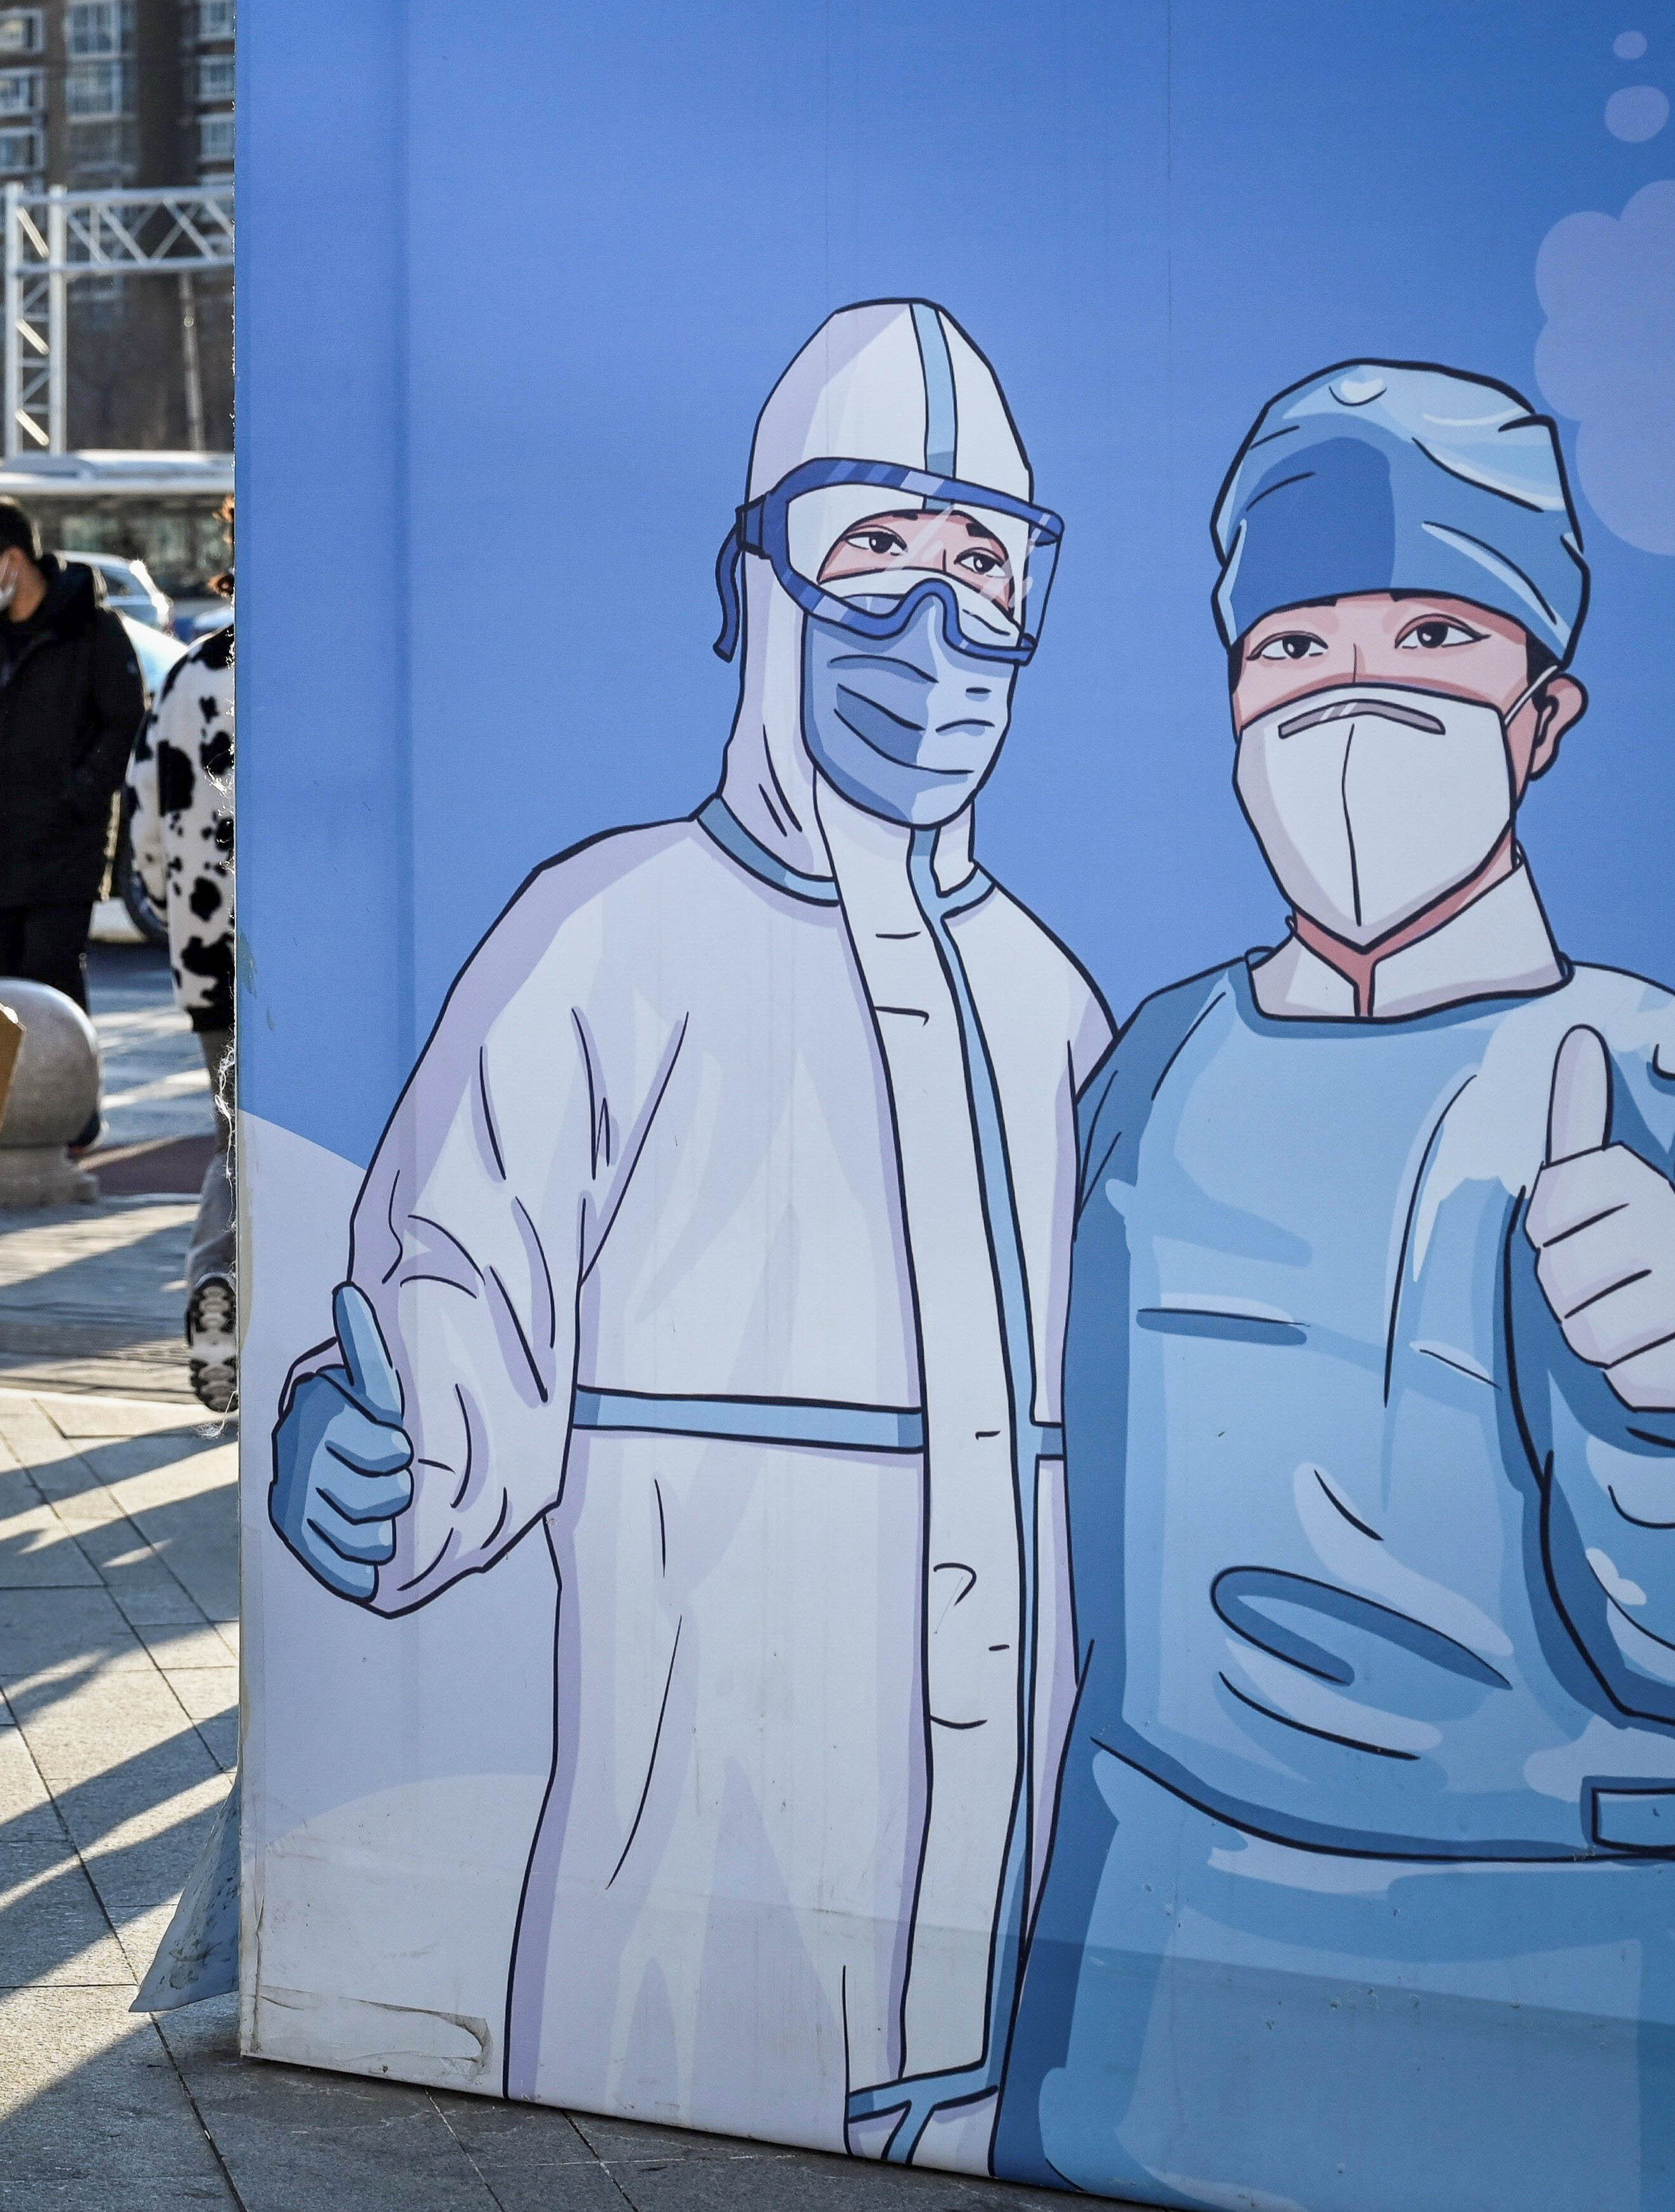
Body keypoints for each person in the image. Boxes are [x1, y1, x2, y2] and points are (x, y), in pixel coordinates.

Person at [998, 363, 1675, 2211]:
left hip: (1575, 2014)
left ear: (1543, 713)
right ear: (1234, 700)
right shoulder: (1155, 1067)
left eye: (1434, 633)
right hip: (1146, 1981)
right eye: (1293, 647)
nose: (1354, 694)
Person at [264, 303, 1107, 2168]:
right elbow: (457, 1299)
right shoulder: (605, 940)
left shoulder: (1051, 1005)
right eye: (873, 550)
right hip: (692, 1933)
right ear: (757, 585)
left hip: (1018, 1962)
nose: (938, 625)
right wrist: (388, 1455)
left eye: (986, 565)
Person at [0, 496, 145, 1018]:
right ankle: (13, 1103)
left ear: (14, 558)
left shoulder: (92, 629)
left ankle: (69, 1101)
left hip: (64, 849)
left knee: (52, 988)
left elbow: (125, 719)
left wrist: (80, 793)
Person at [127, 529, 236, 1408]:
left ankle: (220, 1296)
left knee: (239, 1135)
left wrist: (180, 915)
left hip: (216, 958)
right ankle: (251, 1312)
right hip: (334, 963)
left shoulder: (194, 672)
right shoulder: (344, 671)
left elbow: (145, 823)